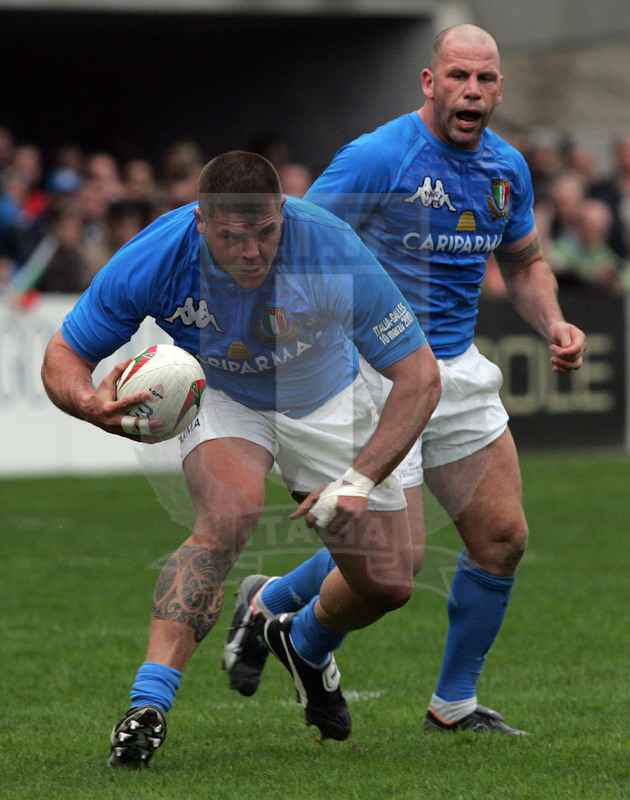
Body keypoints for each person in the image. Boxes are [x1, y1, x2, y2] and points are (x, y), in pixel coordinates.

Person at [224, 24, 587, 735]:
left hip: (456, 368)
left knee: (503, 537)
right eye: (458, 76)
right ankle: (301, 639)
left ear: (499, 89)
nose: (471, 91)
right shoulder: (379, 156)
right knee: (398, 567)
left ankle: (450, 703)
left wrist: (554, 323)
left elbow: (524, 261)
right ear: (430, 82)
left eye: (485, 79)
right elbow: (295, 240)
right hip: (374, 375)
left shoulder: (507, 166)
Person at [40, 150, 441, 766]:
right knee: (225, 521)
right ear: (199, 222)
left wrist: (358, 480)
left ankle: (296, 635)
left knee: (390, 582)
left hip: (329, 398)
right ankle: (148, 705)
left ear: (284, 212)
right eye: (232, 237)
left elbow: (418, 376)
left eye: (264, 233)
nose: (251, 251)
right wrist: (88, 404)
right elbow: (64, 355)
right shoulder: (156, 256)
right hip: (226, 393)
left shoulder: (329, 248)